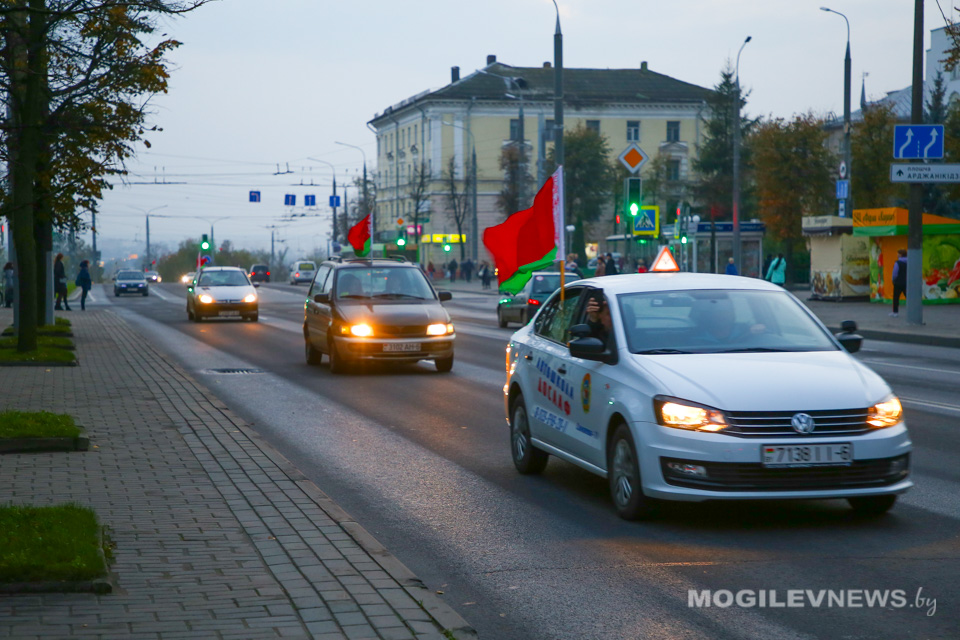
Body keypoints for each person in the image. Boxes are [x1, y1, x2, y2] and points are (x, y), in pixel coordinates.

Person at [891, 248, 908, 317]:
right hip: (907, 282)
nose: (897, 255)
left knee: (896, 297)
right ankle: (912, 311)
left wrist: (893, 280)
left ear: (901, 255)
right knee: (908, 297)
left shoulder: (898, 263)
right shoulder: (909, 262)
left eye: (898, 253)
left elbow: (895, 273)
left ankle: (895, 312)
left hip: (898, 283)